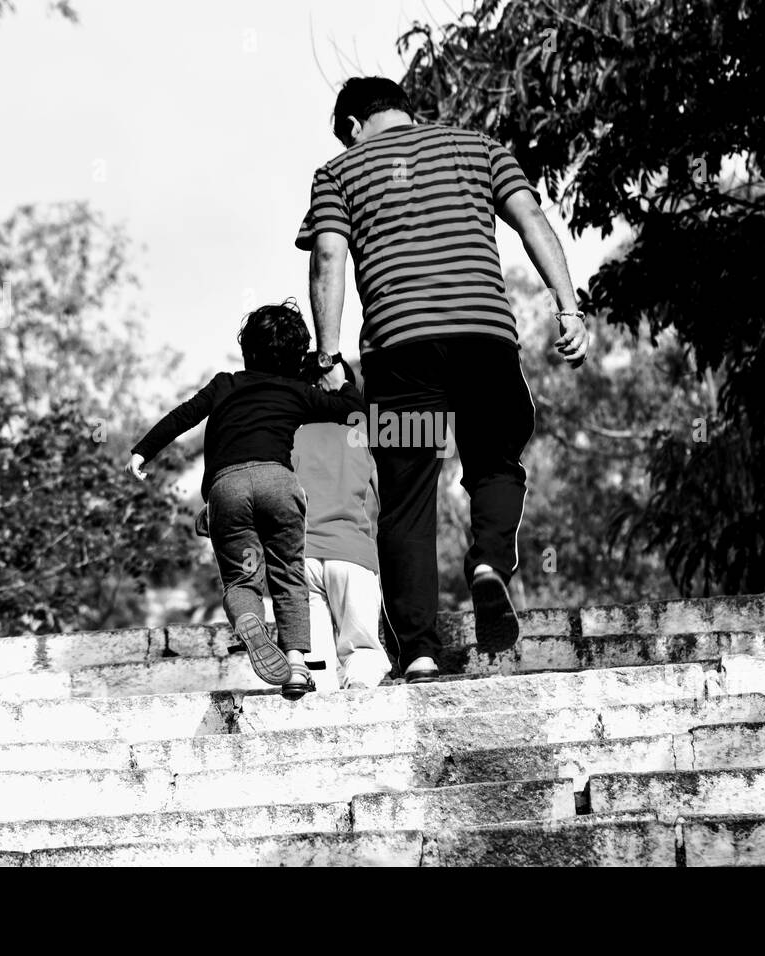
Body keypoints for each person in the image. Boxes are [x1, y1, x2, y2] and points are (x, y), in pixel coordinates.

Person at [296, 77, 589, 683]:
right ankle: (487, 564)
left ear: (352, 126)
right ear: (405, 109)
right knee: (496, 460)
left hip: (400, 351)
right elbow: (530, 216)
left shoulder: (339, 171)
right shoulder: (477, 146)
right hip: (483, 337)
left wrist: (327, 357)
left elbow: (328, 257)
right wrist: (568, 307)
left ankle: (422, 650)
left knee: (405, 499)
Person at [124, 300, 364, 700]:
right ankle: (298, 665)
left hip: (227, 490)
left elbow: (183, 415)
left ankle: (250, 619)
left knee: (241, 579)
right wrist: (337, 379)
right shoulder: (298, 391)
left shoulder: (224, 384)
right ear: (295, 357)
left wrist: (141, 451)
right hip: (279, 486)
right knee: (288, 574)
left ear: (246, 349)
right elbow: (352, 411)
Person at [292, 356, 390, 691]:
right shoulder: (362, 433)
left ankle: (322, 697)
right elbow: (387, 498)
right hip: (352, 554)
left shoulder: (291, 436)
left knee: (316, 664)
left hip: (300, 560)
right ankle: (359, 692)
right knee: (361, 650)